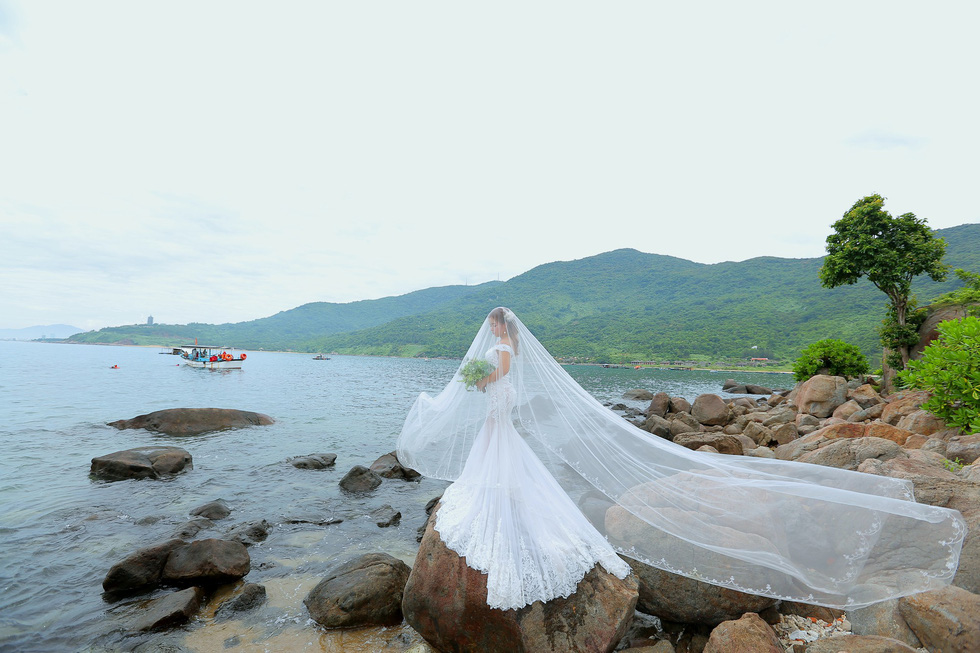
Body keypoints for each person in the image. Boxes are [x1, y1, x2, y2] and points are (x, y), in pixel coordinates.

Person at [397, 307, 966, 611]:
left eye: (492, 326)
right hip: (502, 429)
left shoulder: (498, 353)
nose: (490, 332)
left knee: (502, 479)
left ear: (499, 329)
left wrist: (470, 378)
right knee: (512, 475)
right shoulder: (511, 353)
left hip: (498, 428)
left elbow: (486, 380)